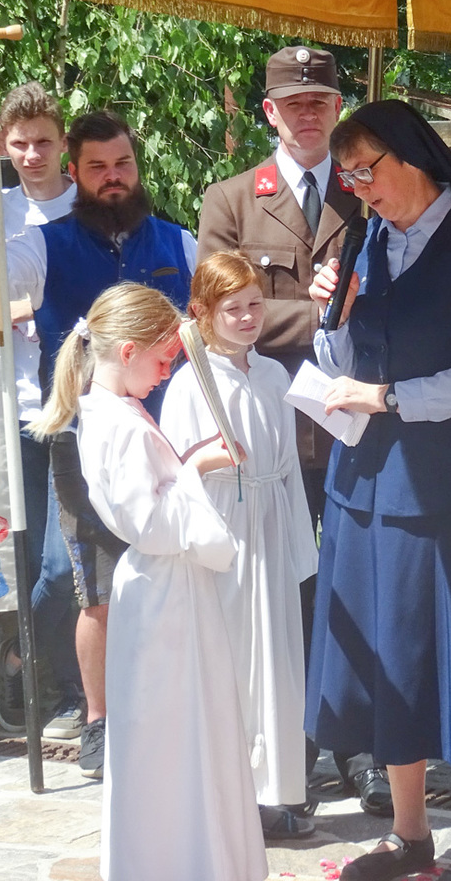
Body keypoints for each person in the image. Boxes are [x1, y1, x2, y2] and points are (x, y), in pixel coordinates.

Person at [304, 98, 451, 881]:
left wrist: (392, 398)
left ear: (413, 157)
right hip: (364, 482)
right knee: (387, 659)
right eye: (347, 178)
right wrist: (333, 314)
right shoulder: (366, 240)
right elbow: (340, 365)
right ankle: (410, 833)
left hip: (444, 485)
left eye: (366, 171)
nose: (359, 190)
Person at [195, 46, 382, 813]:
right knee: (283, 592)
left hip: (354, 423)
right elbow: (215, 309)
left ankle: (362, 745)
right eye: (294, 103)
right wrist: (319, 311)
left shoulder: (369, 190)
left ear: (339, 109)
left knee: (358, 585)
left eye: (321, 102)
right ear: (269, 113)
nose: (309, 115)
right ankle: (292, 752)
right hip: (271, 437)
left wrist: (357, 299)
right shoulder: (233, 201)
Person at [27, 282, 265, 881]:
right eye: (162, 360)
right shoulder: (120, 423)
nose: (165, 374)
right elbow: (149, 524)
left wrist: (189, 466)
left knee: (185, 727)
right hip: (163, 589)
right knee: (172, 734)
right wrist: (197, 468)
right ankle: (181, 861)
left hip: (166, 586)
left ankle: (196, 857)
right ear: (128, 351)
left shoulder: (115, 411)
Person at [8, 109, 197, 778]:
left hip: (164, 439)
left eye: (123, 164)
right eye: (98, 168)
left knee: (166, 573)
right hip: (80, 444)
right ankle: (94, 715)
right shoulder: (42, 246)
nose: (113, 178)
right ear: (75, 173)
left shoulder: (179, 242)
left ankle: (164, 707)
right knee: (86, 584)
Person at [160, 251, 319, 840]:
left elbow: (290, 467)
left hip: (270, 522)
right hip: (224, 527)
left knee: (276, 659)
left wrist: (299, 546)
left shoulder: (274, 376)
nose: (249, 317)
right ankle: (227, 796)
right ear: (202, 312)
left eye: (255, 305)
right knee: (231, 659)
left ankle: (274, 793)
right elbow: (174, 471)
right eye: (234, 309)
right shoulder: (189, 384)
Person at [0, 81, 85, 741]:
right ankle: (62, 687)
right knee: (31, 561)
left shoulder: (89, 208)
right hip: (17, 405)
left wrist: (41, 307)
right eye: (20, 144)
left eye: (43, 142)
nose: (31, 155)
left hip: (76, 408)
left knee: (64, 564)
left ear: (63, 143)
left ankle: (19, 660)